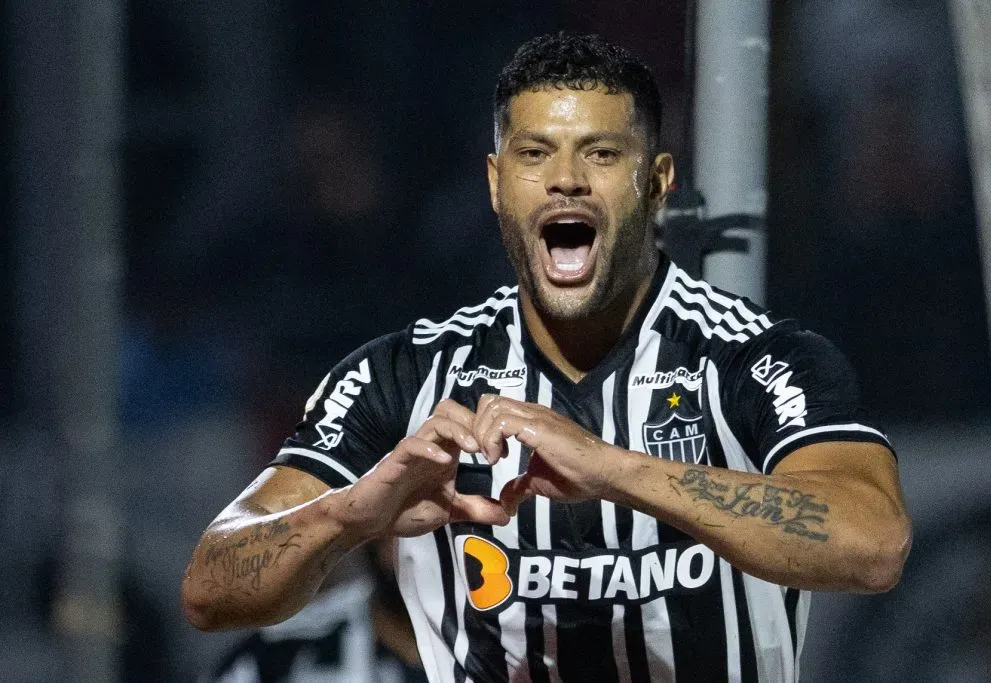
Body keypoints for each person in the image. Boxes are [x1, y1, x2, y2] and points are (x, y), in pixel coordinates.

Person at [182, 32, 912, 682]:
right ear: (498, 182)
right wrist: (355, 510)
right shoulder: (404, 375)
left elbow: (871, 542)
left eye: (600, 152)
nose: (566, 178)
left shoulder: (753, 358)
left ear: (655, 183)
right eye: (535, 154)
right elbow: (211, 586)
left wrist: (612, 467)